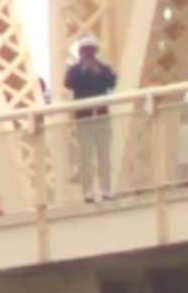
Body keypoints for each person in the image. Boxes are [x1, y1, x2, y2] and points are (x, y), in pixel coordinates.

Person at [64, 34, 118, 202]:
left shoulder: (102, 68)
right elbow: (69, 83)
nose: (88, 54)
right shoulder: (74, 70)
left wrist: (98, 72)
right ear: (80, 52)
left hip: (101, 117)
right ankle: (87, 191)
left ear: (95, 52)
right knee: (86, 157)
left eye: (90, 51)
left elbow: (112, 82)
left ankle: (106, 189)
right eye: (85, 51)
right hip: (84, 118)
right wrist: (83, 71)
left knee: (104, 155)